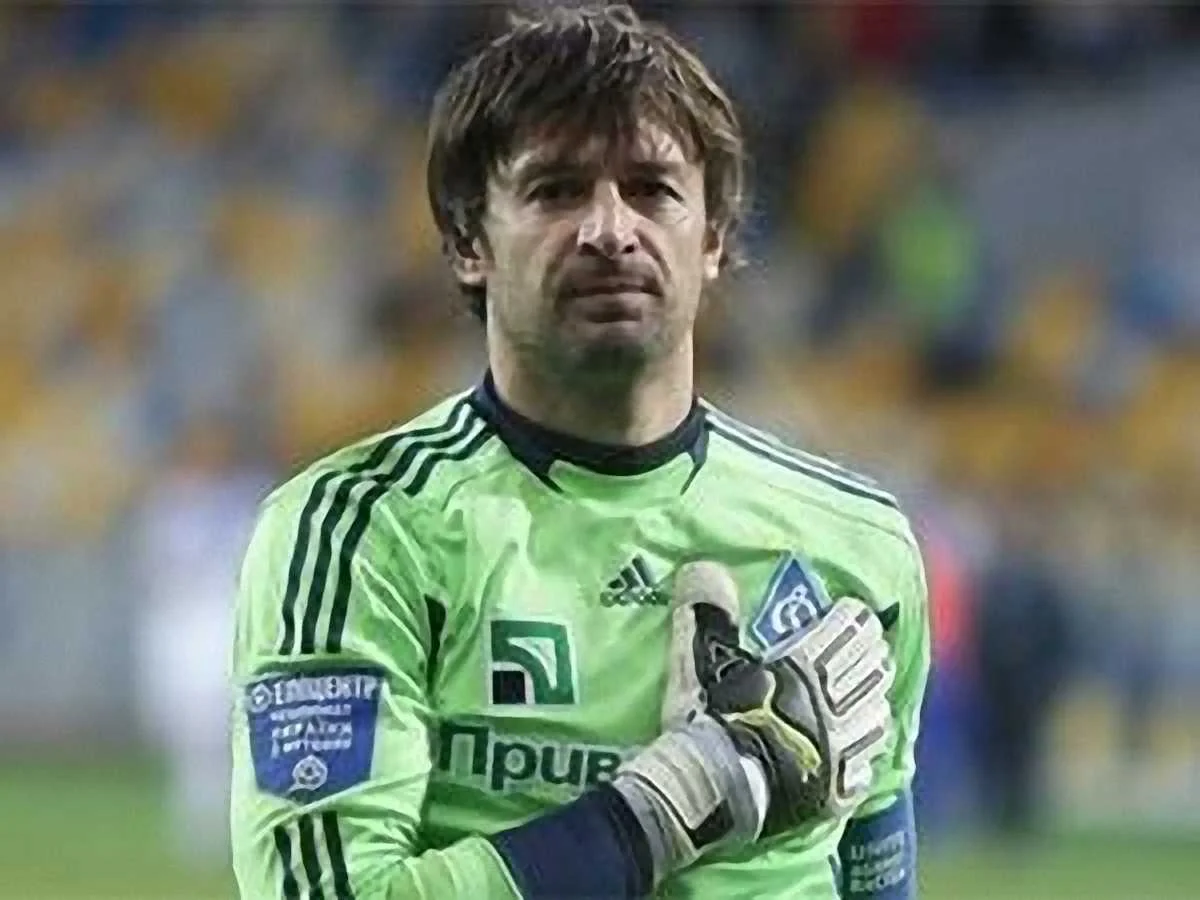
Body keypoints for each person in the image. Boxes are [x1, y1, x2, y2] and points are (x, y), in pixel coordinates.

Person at [229, 6, 929, 898]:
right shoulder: (361, 534)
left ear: (714, 236)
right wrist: (669, 805)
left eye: (652, 189)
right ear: (468, 241)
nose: (609, 229)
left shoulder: (859, 545)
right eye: (556, 190)